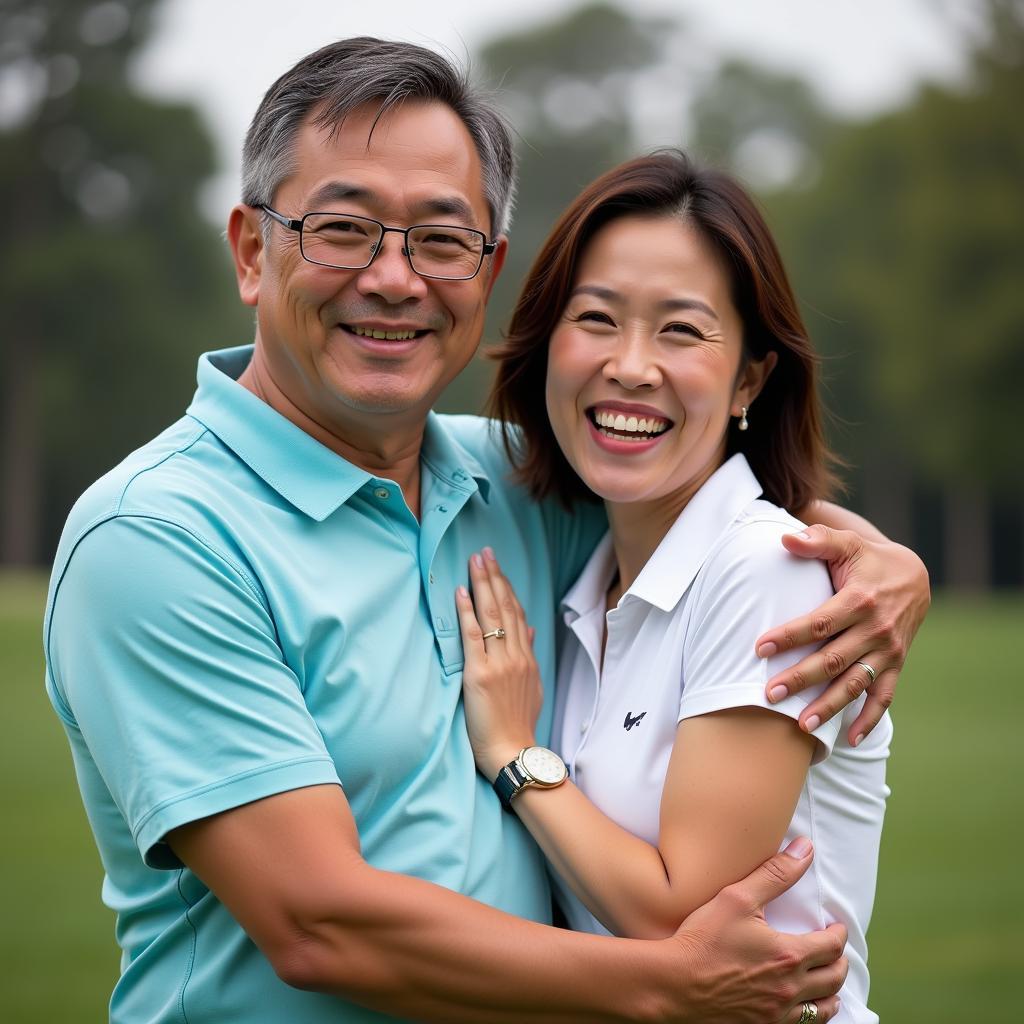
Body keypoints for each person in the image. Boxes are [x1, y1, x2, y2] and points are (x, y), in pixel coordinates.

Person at [42, 38, 927, 1024]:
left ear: (489, 267)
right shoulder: (158, 540)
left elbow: (705, 503)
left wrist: (884, 563)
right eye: (343, 229)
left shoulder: (514, 484)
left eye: (440, 237)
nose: (393, 278)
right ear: (253, 251)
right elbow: (317, 921)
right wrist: (661, 987)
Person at [456, 151, 894, 1024]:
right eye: (597, 318)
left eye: (682, 331)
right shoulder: (590, 574)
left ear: (751, 380)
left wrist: (513, 753)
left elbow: (679, 917)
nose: (630, 366)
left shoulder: (766, 570)